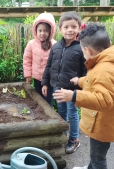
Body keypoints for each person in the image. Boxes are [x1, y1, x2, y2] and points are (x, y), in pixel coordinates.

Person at [53, 23, 114, 169]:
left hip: (102, 124)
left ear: (88, 51)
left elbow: (104, 100)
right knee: (96, 155)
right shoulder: (106, 61)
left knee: (98, 160)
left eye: (82, 51)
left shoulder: (105, 69)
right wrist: (80, 80)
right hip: (101, 121)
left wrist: (74, 95)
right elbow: (95, 81)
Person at [41, 11, 87, 154]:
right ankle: (63, 134)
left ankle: (74, 139)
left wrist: (83, 85)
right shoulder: (55, 47)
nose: (70, 30)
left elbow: (86, 70)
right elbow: (49, 66)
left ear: (79, 28)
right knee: (61, 112)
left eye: (73, 26)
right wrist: (45, 83)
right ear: (60, 29)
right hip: (57, 87)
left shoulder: (81, 48)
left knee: (72, 113)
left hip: (72, 90)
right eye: (66, 27)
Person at [23, 12, 57, 106]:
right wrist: (28, 75)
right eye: (40, 30)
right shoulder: (31, 44)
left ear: (51, 31)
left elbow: (55, 64)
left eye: (45, 31)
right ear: (35, 31)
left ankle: (49, 118)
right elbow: (27, 60)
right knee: (38, 98)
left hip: (49, 80)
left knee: (47, 100)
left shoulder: (54, 45)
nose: (42, 33)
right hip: (37, 78)